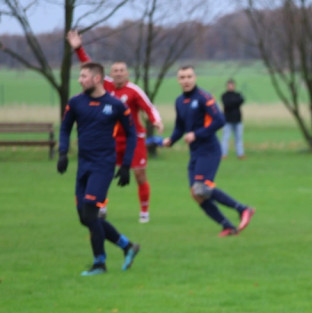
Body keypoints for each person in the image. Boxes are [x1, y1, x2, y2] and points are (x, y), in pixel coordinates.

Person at [67, 30, 163, 223]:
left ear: (127, 73)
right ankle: (101, 206)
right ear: (109, 74)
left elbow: (149, 107)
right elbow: (88, 65)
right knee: (105, 173)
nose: (118, 73)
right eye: (115, 71)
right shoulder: (105, 86)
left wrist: (156, 120)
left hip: (133, 138)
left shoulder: (134, 91)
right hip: (110, 138)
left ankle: (144, 212)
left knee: (139, 174)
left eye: (122, 70)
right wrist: (78, 48)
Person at [58, 61, 141, 276]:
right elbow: (65, 128)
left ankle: (99, 263)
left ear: (96, 78)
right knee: (85, 217)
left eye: (84, 76)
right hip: (83, 166)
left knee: (91, 211)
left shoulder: (115, 105)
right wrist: (62, 153)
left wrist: (125, 165)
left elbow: (132, 134)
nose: (79, 80)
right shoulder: (76, 103)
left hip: (103, 166)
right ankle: (127, 246)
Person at [162, 65, 254, 237]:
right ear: (178, 80)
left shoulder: (204, 97)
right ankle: (227, 226)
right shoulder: (179, 102)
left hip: (209, 150)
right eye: (182, 77)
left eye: (189, 76)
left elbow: (220, 120)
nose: (186, 80)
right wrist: (170, 140)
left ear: (195, 77)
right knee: (196, 194)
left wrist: (196, 134)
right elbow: (179, 128)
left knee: (201, 188)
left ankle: (243, 209)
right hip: (195, 153)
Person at [220, 79, 245, 159]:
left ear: (234, 86)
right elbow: (227, 103)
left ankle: (240, 154)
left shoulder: (238, 94)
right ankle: (223, 154)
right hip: (227, 120)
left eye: (232, 85)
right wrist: (235, 102)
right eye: (229, 85)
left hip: (238, 120)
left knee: (239, 138)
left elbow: (241, 101)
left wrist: (232, 102)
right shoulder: (224, 95)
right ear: (227, 86)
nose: (230, 87)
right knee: (225, 138)